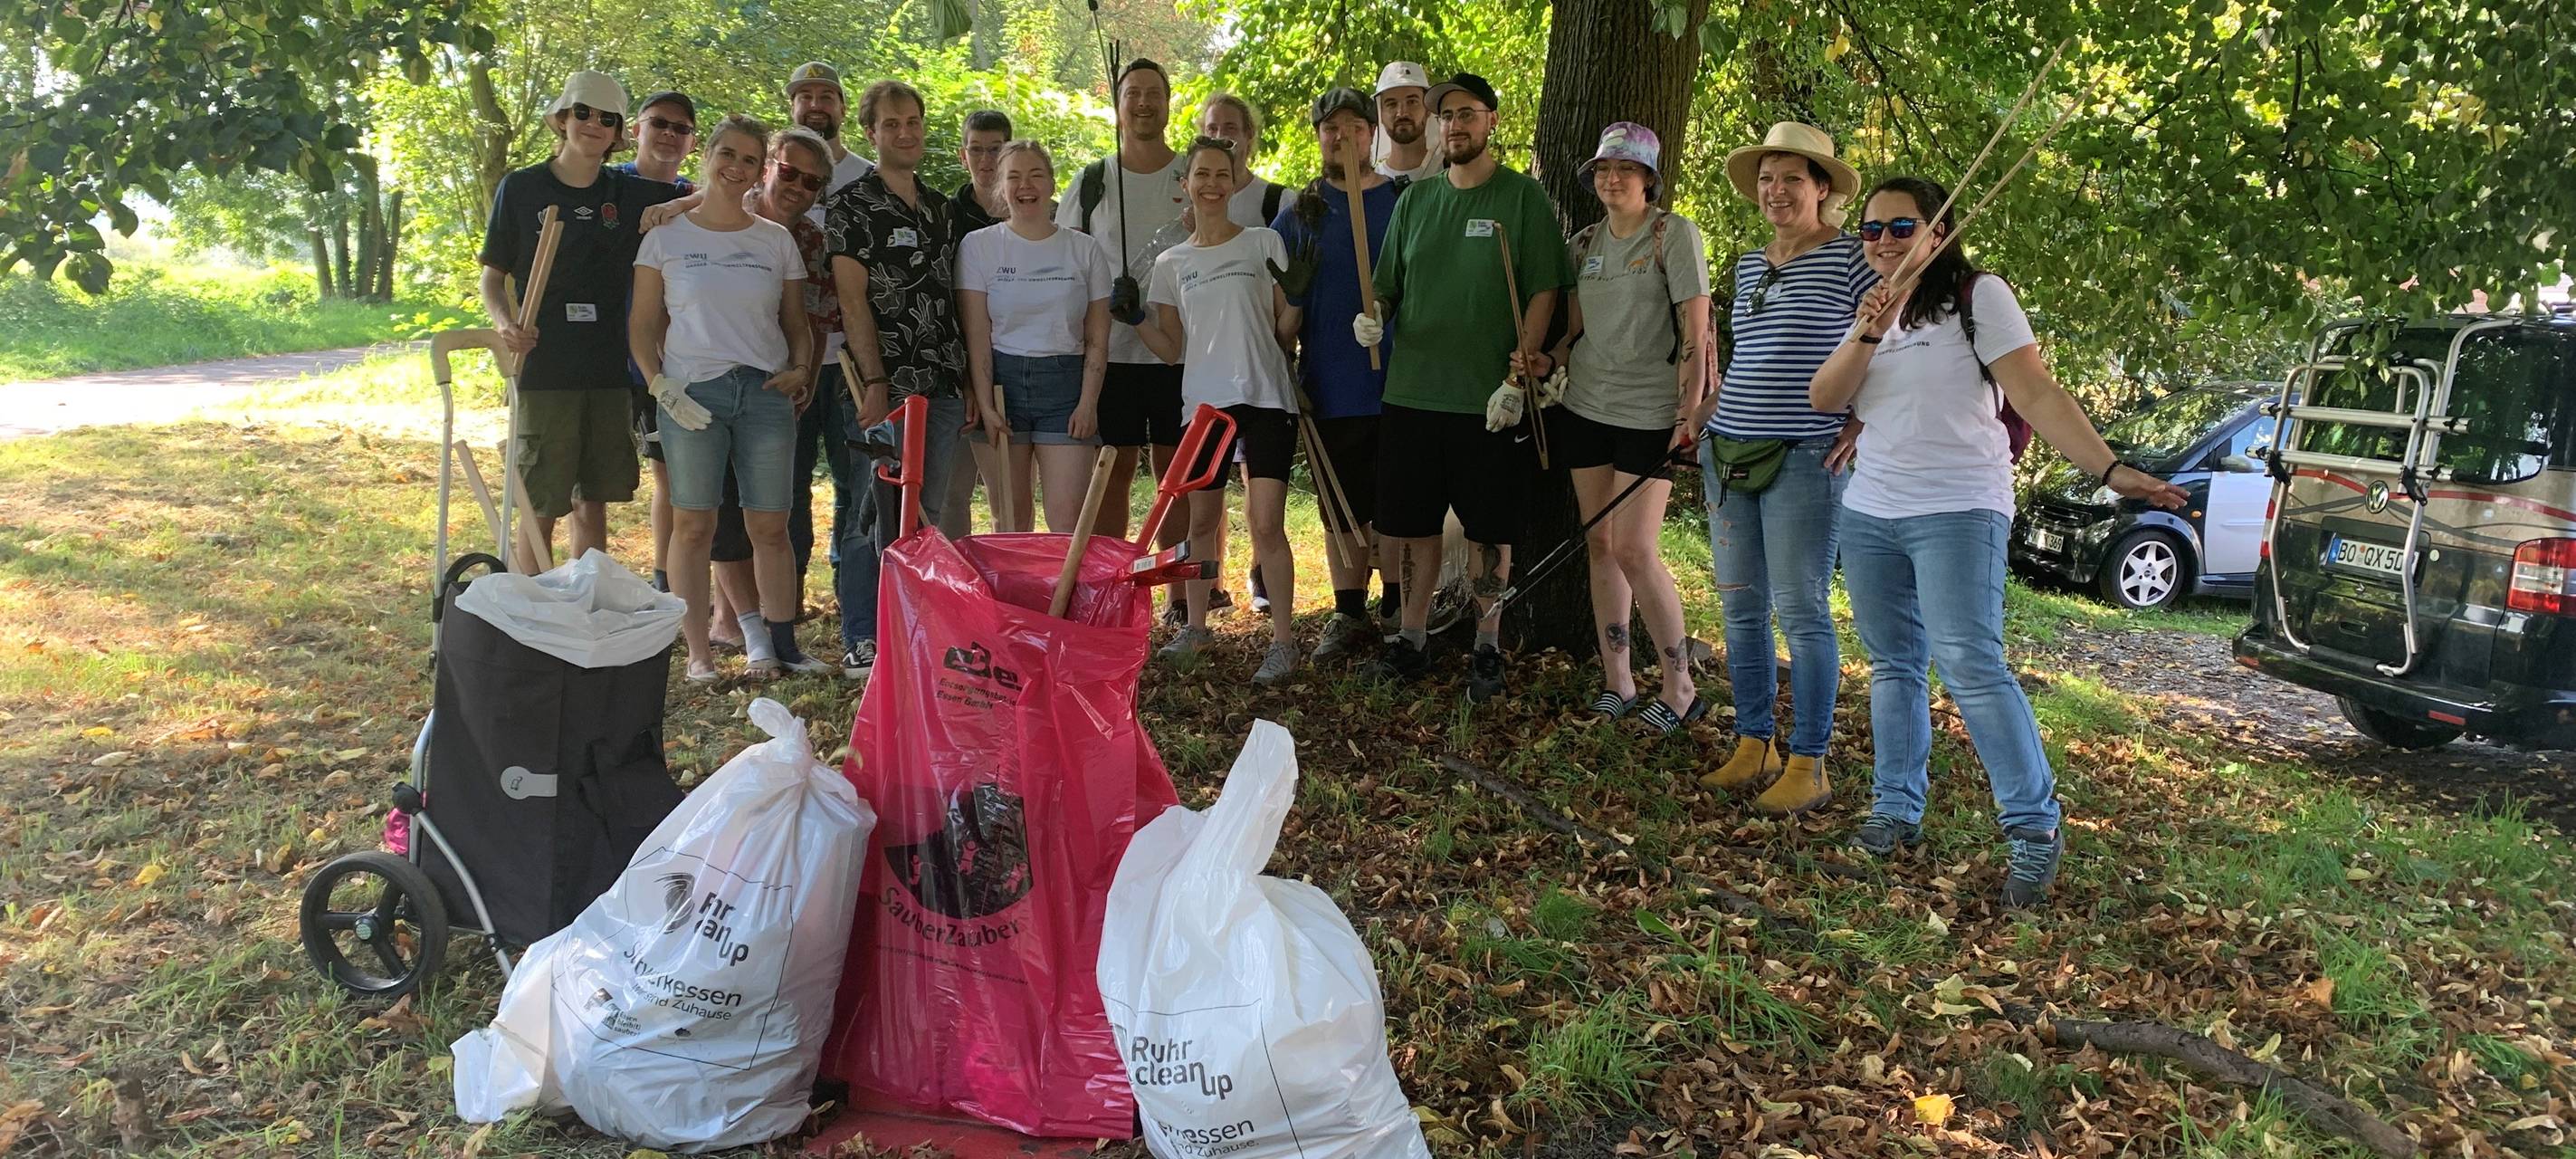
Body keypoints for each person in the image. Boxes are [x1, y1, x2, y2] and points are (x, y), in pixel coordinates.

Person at [1811, 176, 2187, 905]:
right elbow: (1826, 398)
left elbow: (2038, 393)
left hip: (1958, 508)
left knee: (1971, 665)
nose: (1883, 241)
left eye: (1901, 226)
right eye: (1870, 230)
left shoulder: (1980, 297)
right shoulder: (1872, 309)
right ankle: (1895, 810)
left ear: (1939, 231)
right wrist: (1868, 329)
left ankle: (2033, 828)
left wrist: (2110, 470)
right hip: (1871, 511)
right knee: (1893, 666)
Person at [1354, 72, 1573, 701]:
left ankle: (1486, 647)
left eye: (1467, 114)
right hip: (1412, 393)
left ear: (1492, 121)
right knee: (1414, 527)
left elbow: (1544, 289)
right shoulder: (1417, 202)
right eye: (1445, 115)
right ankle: (1412, 640)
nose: (1454, 125)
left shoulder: (1521, 199)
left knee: (1488, 530)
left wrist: (1517, 373)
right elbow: (1388, 284)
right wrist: (1376, 317)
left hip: (1488, 401)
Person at [1691, 121, 1871, 816]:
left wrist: (1862, 422)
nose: (1776, 190)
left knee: (1801, 612)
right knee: (1740, 609)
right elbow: (1750, 357)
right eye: (1766, 179)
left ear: (1822, 189)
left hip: (1805, 457)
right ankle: (1753, 742)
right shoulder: (1746, 263)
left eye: (1792, 178)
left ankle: (1809, 762)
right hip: (1727, 452)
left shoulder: (1854, 257)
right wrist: (1706, 410)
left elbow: (1889, 342)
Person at [1516, 122, 1711, 733]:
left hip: (1650, 412)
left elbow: (1698, 334)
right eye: (1603, 170)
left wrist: (1690, 410)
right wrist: (1546, 361)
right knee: (1600, 544)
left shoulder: (1672, 235)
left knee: (1634, 547)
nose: (1612, 179)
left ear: (1649, 179)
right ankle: (1618, 681)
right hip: (1587, 408)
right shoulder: (1583, 244)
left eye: (1625, 170)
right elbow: (1576, 335)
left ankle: (1681, 688)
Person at [629, 112, 821, 681]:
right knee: (694, 525)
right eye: (726, 154)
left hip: (764, 394)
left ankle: (785, 646)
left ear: (760, 168)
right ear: (706, 156)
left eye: (747, 159)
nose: (735, 167)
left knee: (770, 527)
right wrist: (658, 382)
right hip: (692, 394)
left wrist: (801, 368)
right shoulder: (664, 237)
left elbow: (795, 322)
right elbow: (642, 324)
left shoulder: (776, 240)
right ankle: (698, 654)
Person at [478, 71, 687, 574]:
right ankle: (528, 609)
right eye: (583, 113)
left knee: (593, 499)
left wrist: (681, 203)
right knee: (541, 500)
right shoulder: (522, 187)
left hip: (607, 367)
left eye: (606, 118)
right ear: (563, 119)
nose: (593, 125)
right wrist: (506, 323)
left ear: (619, 132)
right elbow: (491, 278)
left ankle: (580, 605)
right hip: (544, 365)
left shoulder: (626, 189)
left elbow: (705, 196)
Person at [1126, 137, 1302, 685]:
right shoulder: (1171, 263)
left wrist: (1298, 297)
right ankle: (1197, 626)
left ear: (1234, 180)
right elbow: (1173, 349)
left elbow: (1283, 331)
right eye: (1201, 174)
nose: (1211, 185)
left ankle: (1284, 641)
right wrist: (1134, 318)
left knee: (1266, 522)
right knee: (1202, 521)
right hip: (1203, 406)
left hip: (1267, 396)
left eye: (1222, 175)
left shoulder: (1262, 242)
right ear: (1186, 184)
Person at [825, 80, 973, 673]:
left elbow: (952, 296)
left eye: (913, 120)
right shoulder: (851, 206)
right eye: (892, 123)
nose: (906, 132)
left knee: (926, 511)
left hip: (941, 382)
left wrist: (965, 382)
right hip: (882, 385)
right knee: (869, 511)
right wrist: (876, 378)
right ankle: (863, 634)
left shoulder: (940, 208)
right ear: (871, 132)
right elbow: (852, 300)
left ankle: (916, 630)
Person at [1273, 86, 1404, 662]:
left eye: (1355, 127)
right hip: (1330, 380)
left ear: (1371, 133)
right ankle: (1349, 612)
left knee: (1398, 500)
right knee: (1340, 505)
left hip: (1402, 379)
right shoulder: (1299, 213)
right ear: (1319, 135)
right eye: (1332, 128)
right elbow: (1278, 317)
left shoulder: (1404, 202)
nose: (1343, 137)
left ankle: (1398, 605)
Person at [1056, 60, 1190, 551]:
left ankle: (1177, 595)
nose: (1143, 103)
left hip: (1177, 352)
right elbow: (1065, 262)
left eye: (1154, 92)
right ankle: (1109, 586)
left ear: (1169, 104)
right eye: (1132, 93)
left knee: (1176, 476)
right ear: (1117, 107)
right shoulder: (1092, 181)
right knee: (1113, 469)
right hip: (1109, 355)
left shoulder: (1192, 175)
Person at [957, 139, 1114, 532]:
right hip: (1000, 385)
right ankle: (1017, 596)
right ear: (1001, 186)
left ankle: (1063, 596)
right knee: (1009, 520)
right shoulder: (979, 246)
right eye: (1014, 177)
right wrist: (986, 402)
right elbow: (977, 334)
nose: (1025, 186)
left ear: (1051, 182)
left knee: (1068, 523)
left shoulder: (1085, 249)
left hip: (1065, 386)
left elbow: (1097, 338)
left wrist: (1088, 402)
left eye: (1035, 175)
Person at [1371, 61, 1441, 182]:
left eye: (1412, 102)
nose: (1402, 113)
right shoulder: (1371, 181)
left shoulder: (1449, 171)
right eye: (1391, 104)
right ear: (1380, 113)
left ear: (1428, 109)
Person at [951, 109, 1013, 234]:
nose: (985, 158)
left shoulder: (1034, 209)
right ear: (963, 157)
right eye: (976, 149)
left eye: (995, 149)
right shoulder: (947, 215)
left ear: (1010, 153)